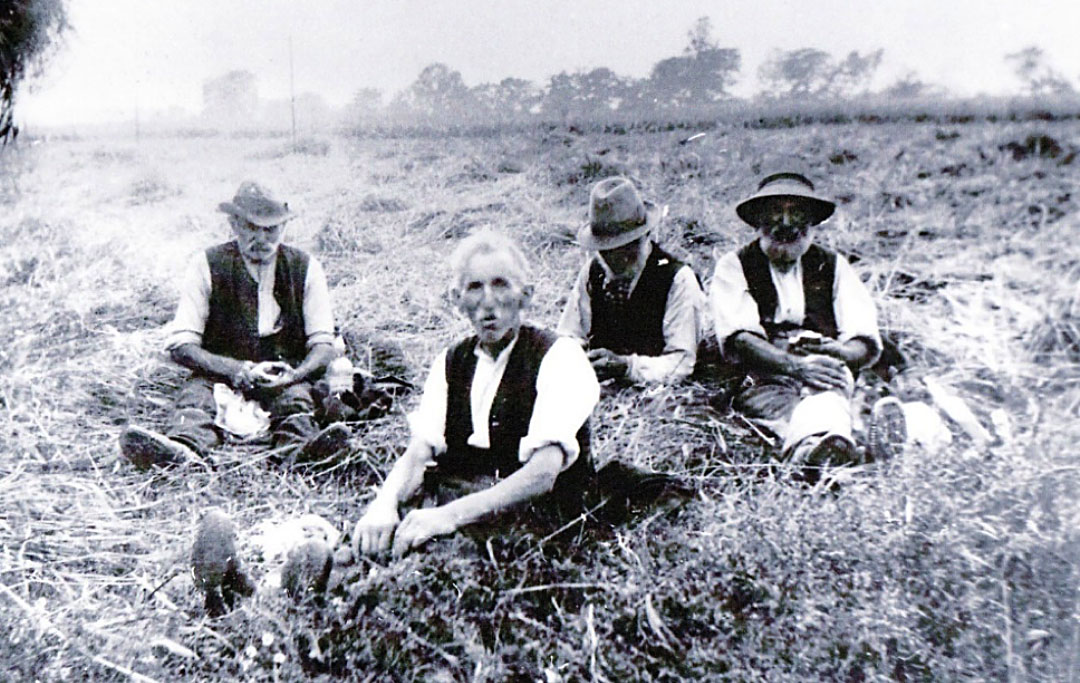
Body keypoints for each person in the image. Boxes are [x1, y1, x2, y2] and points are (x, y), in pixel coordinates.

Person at [352, 231, 600, 557]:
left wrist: (446, 517)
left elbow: (543, 474)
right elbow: (419, 452)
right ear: (457, 300)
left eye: (500, 285)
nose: (487, 302)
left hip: (538, 513)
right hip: (464, 498)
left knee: (437, 556)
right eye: (474, 288)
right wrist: (382, 506)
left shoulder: (559, 356)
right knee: (382, 539)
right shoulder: (451, 361)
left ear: (526, 295)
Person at [119, 181, 350, 469]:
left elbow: (323, 345)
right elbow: (181, 345)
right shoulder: (206, 265)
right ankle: (182, 453)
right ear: (234, 224)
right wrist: (233, 369)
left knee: (297, 404)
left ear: (284, 228)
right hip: (219, 369)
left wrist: (295, 375)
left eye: (271, 229)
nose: (262, 238)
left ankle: (303, 455)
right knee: (195, 403)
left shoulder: (306, 268)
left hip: (284, 372)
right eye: (252, 228)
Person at [708, 171, 906, 477]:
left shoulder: (833, 265)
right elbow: (741, 339)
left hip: (829, 373)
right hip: (768, 378)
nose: (785, 224)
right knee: (814, 412)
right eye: (776, 211)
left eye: (796, 212)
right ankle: (827, 451)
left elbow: (863, 338)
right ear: (758, 219)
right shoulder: (733, 267)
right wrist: (794, 366)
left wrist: (839, 352)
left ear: (812, 221)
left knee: (843, 400)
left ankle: (845, 447)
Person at [558, 176, 706, 384]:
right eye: (608, 250)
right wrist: (575, 358)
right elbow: (569, 334)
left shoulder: (678, 280)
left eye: (628, 246)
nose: (618, 257)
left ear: (646, 236)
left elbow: (680, 363)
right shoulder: (593, 272)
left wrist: (628, 367)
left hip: (653, 398)